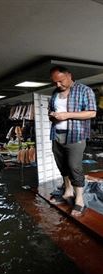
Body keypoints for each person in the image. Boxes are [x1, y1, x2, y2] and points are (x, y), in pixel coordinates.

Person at [48, 65, 97, 216]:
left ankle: (79, 200)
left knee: (74, 167)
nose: (58, 85)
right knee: (62, 165)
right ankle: (67, 192)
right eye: (55, 82)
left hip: (76, 135)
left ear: (69, 75)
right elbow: (51, 110)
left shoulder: (84, 90)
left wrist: (67, 115)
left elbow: (91, 113)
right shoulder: (55, 93)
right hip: (57, 134)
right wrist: (52, 115)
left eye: (61, 81)